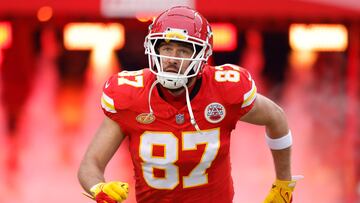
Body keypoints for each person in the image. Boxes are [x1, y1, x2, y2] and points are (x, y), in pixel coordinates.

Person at [78, 6, 301, 203]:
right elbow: (91, 165)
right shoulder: (130, 95)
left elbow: (276, 117)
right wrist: (99, 188)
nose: (173, 58)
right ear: (154, 50)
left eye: (183, 50)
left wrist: (283, 184)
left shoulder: (224, 90)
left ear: (202, 55)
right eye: (166, 49)